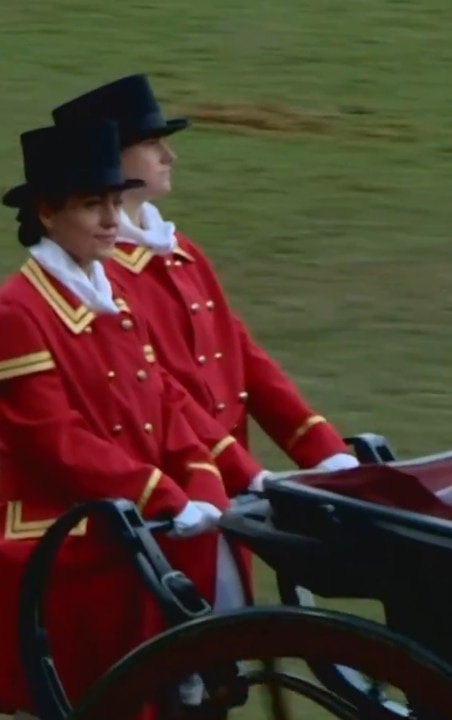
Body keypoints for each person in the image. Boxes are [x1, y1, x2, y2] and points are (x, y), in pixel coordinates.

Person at [0, 120, 245, 716]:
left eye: (115, 201)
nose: (113, 220)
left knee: (216, 545)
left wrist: (203, 478)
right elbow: (54, 441)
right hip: (62, 518)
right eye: (92, 205)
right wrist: (160, 491)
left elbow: (162, 400)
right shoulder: (17, 310)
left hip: (134, 508)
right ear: (48, 215)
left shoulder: (113, 295)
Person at [50, 73, 360, 496]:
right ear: (111, 159)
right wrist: (243, 473)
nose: (169, 156)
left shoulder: (182, 252)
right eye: (152, 144)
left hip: (230, 487)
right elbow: (158, 391)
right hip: (175, 492)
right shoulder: (98, 279)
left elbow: (241, 354)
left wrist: (321, 449)